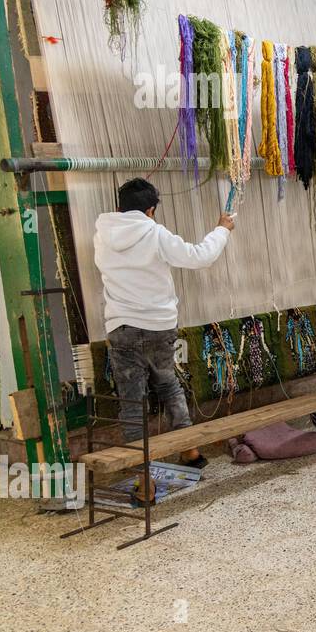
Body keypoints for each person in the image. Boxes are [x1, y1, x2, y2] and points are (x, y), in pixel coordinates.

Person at [93, 178, 234, 468]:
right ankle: (189, 452)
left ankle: (141, 471)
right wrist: (222, 229)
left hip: (122, 328)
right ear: (151, 210)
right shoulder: (154, 233)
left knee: (132, 400)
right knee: (168, 385)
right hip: (159, 325)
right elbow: (200, 256)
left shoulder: (102, 235)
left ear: (119, 207)